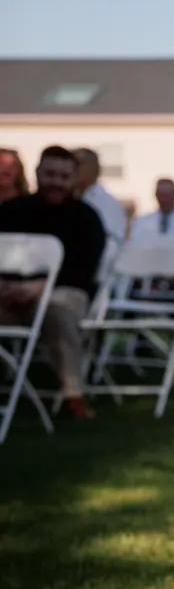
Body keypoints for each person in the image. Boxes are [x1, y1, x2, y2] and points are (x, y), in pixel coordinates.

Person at [0, 145, 105, 419]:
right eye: (50, 174)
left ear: (73, 179)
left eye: (63, 176)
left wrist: (40, 287)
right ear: (37, 173)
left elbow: (83, 270)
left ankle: (74, 394)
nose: (56, 182)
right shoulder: (11, 211)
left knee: (56, 311)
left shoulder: (87, 218)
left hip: (62, 292)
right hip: (9, 295)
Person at [73, 147, 127, 249]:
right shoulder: (66, 198)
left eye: (78, 163)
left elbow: (111, 245)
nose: (73, 168)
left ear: (94, 168)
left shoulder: (110, 204)